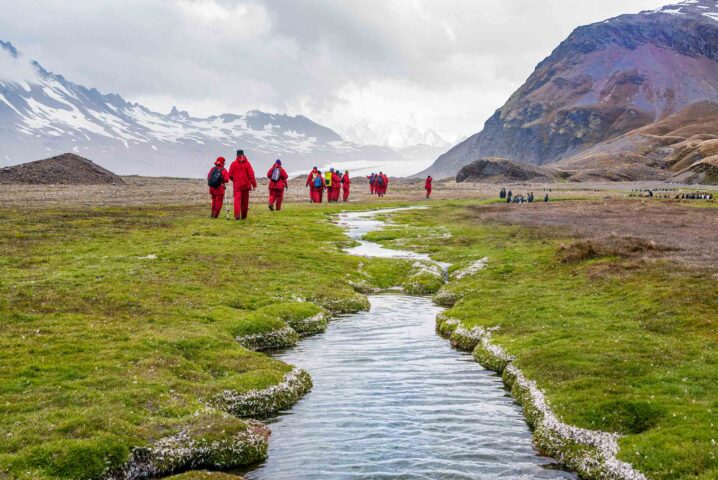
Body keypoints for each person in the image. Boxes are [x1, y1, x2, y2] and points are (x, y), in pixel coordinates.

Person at [228, 149, 257, 220]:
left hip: (237, 186)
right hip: (246, 185)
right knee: (245, 201)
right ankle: (244, 216)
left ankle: (237, 215)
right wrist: (254, 184)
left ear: (237, 155)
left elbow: (230, 175)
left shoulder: (233, 164)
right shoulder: (247, 163)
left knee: (237, 201)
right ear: (243, 155)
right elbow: (251, 175)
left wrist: (235, 180)